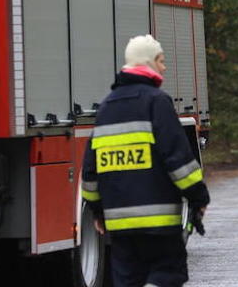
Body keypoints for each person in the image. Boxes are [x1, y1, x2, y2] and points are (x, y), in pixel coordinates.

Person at [81, 34, 209, 287]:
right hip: (159, 223)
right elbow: (178, 161)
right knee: (167, 276)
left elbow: (90, 172)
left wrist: (97, 211)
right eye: (161, 61)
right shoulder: (156, 102)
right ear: (148, 63)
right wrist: (198, 198)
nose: (165, 67)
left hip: (120, 227)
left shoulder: (106, 107)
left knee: (128, 281)